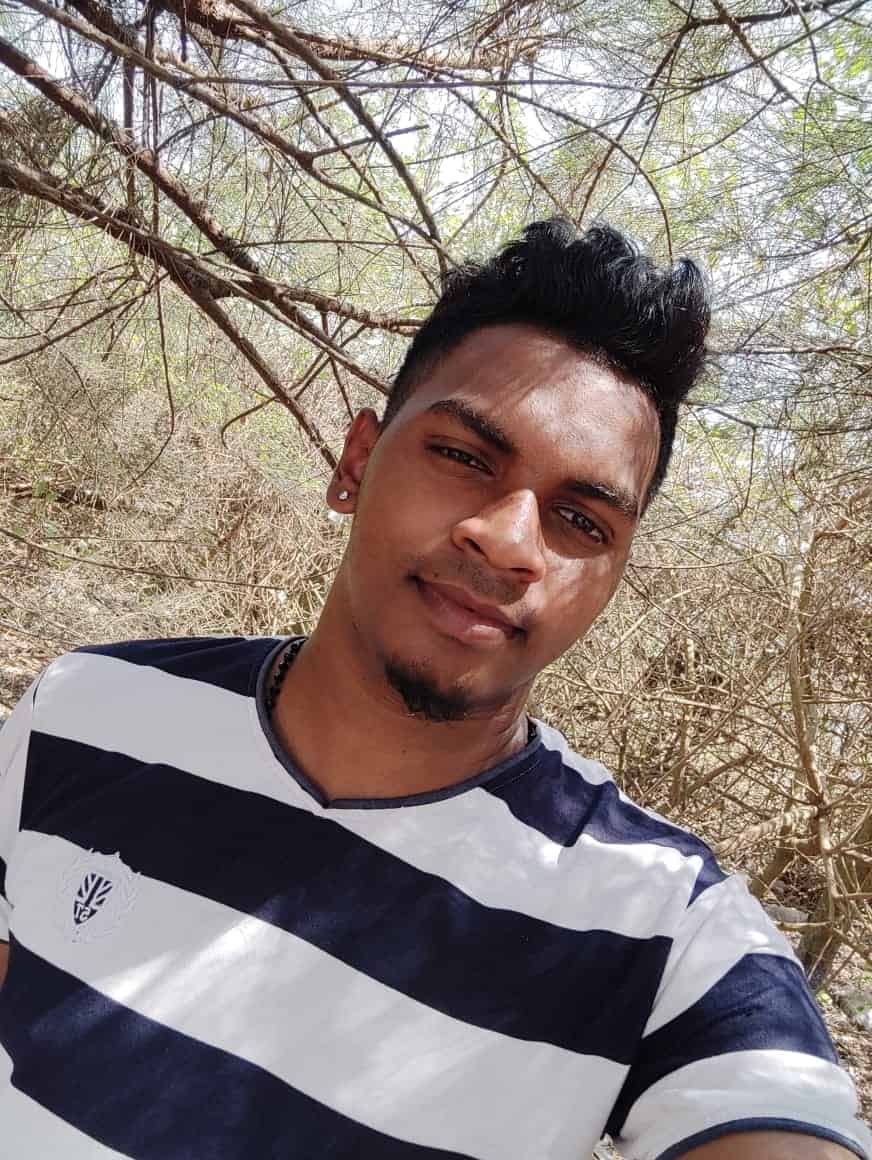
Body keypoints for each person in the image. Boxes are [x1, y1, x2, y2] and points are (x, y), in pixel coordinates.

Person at [0, 219, 868, 1160]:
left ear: (613, 578)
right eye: (464, 457)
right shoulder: (85, 710)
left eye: (581, 521)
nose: (509, 540)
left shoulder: (662, 928)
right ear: (357, 463)